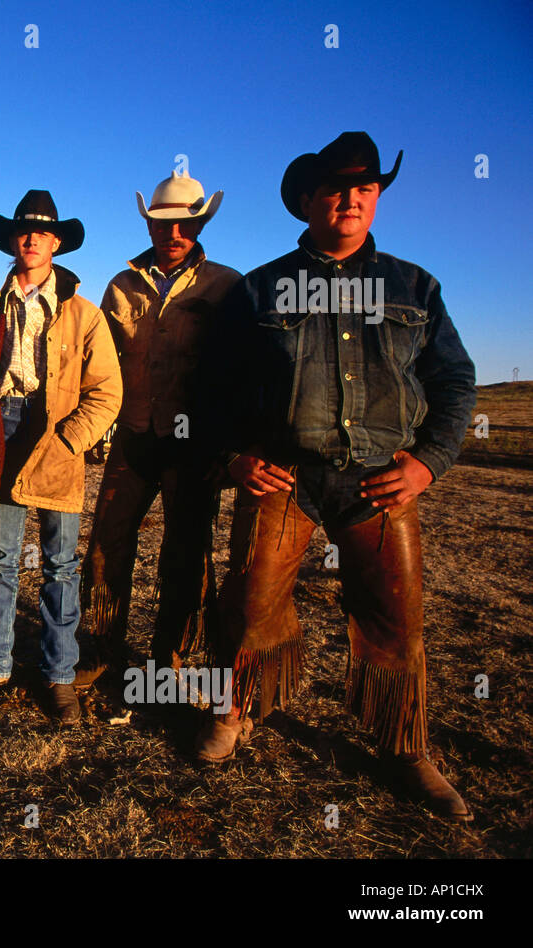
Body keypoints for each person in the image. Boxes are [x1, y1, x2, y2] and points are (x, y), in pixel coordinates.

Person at [199, 132, 477, 823]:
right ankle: (237, 712)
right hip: (283, 477)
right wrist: (235, 456)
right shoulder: (260, 288)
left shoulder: (416, 287)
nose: (350, 200)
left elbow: (455, 381)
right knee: (251, 600)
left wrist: (428, 462)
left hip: (381, 481)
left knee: (395, 616)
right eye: (335, 189)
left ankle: (405, 744)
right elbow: (213, 387)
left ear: (376, 198)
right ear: (309, 201)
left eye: (365, 189)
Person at [0, 190, 123, 724]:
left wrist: (70, 441)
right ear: (13, 240)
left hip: (57, 431)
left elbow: (106, 391)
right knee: (1, 559)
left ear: (56, 243)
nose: (31, 238)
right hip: (1, 428)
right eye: (23, 230)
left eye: (42, 232)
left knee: (60, 563)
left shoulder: (85, 315)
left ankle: (58, 674)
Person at [76, 172, 240, 688]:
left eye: (186, 224)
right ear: (149, 226)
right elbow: (98, 362)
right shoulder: (121, 286)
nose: (174, 234)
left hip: (195, 445)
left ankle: (168, 659)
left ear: (200, 224)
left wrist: (228, 445)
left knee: (186, 551)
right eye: (164, 224)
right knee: (107, 542)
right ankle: (103, 646)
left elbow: (239, 372)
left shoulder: (227, 286)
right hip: (131, 435)